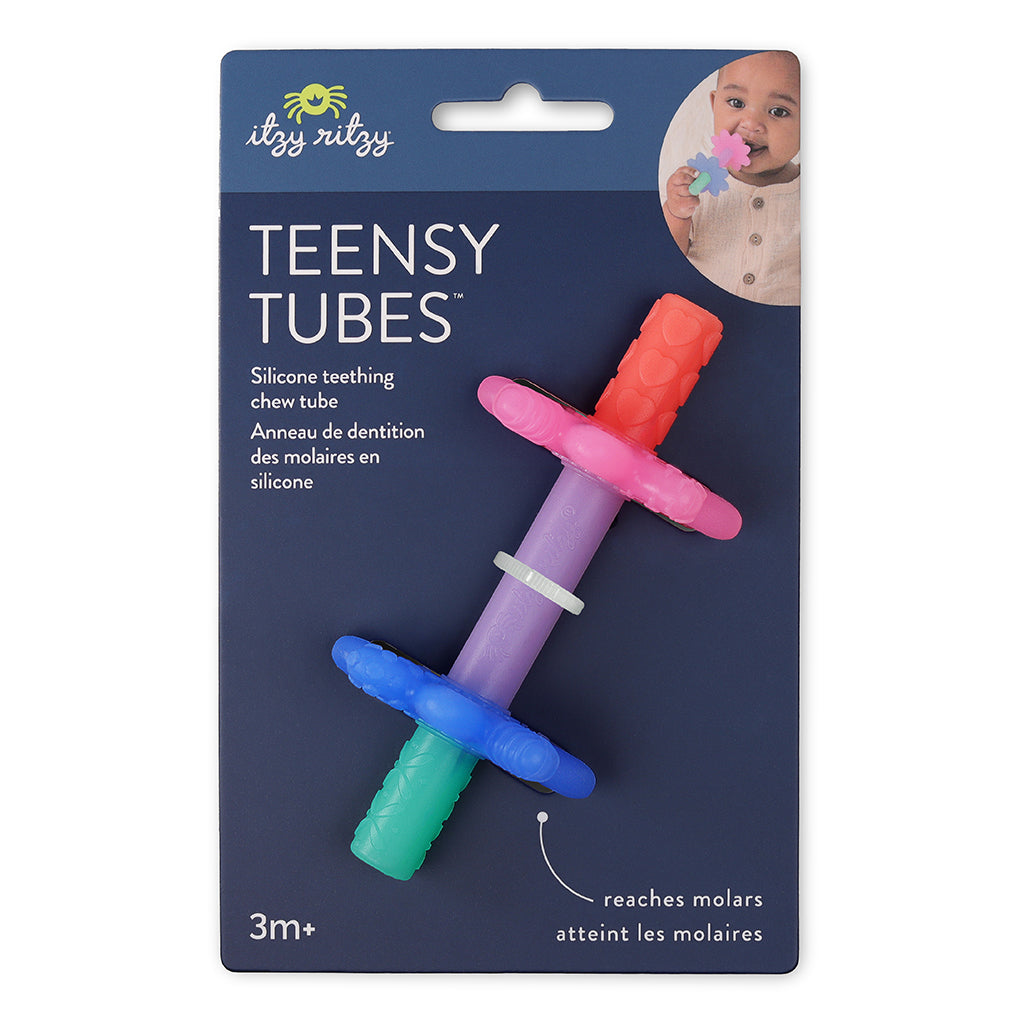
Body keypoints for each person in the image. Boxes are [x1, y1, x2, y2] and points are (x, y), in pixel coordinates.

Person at [663, 51, 800, 306]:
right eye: (736, 103)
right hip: (701, 315)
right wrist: (676, 213)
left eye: (778, 111)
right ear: (714, 105)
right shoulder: (697, 187)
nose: (751, 124)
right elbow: (665, 261)